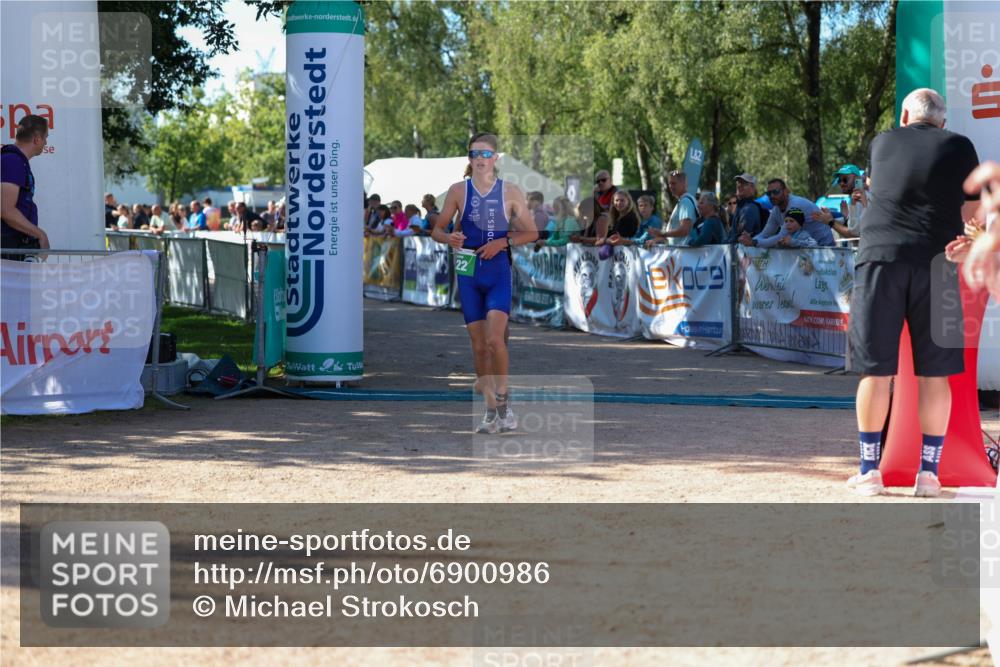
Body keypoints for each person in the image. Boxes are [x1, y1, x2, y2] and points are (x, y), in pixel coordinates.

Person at [846, 88, 981, 498]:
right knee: (935, 374)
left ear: (905, 115)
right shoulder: (960, 146)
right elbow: (974, 216)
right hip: (939, 263)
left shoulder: (882, 142)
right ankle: (929, 474)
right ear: (943, 121)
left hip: (880, 259)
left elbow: (877, 187)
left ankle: (870, 471)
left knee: (877, 370)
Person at [430, 132, 538, 434]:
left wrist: (503, 241)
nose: (480, 158)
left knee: (495, 340)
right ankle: (491, 410)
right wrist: (449, 236)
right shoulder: (457, 191)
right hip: (468, 273)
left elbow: (531, 233)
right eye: (475, 153)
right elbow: (437, 230)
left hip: (497, 273)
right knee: (479, 347)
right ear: (469, 158)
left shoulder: (511, 192)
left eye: (486, 153)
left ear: (496, 158)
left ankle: (505, 404)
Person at [1, 115, 50, 260]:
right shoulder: (12, 161)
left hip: (12, 246)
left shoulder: (16, 161)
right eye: (45, 137)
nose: (46, 142)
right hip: (7, 248)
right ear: (37, 139)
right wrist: (40, 234)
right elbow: (5, 209)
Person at [740, 178, 830, 247]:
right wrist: (747, 241)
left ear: (786, 191)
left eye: (776, 192)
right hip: (808, 248)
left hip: (825, 248)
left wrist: (753, 242)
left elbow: (781, 237)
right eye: (768, 193)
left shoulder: (795, 205)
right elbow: (765, 234)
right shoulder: (776, 209)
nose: (772, 196)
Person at [814, 164, 867, 239]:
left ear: (857, 179)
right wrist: (846, 217)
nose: (841, 183)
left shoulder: (859, 198)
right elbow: (855, 228)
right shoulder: (854, 198)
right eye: (839, 181)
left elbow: (854, 234)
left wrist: (830, 221)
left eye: (845, 179)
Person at [648, 170, 697, 246]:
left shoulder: (685, 202)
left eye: (674, 183)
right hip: (678, 251)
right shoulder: (683, 201)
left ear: (683, 184)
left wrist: (663, 233)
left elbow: (685, 230)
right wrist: (657, 240)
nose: (670, 186)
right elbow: (674, 237)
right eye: (669, 183)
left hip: (683, 252)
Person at [723, 173, 765, 244]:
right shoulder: (741, 206)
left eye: (744, 183)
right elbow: (733, 234)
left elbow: (741, 237)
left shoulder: (749, 208)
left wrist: (723, 244)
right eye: (738, 183)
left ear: (752, 188)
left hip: (746, 253)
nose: (739, 186)